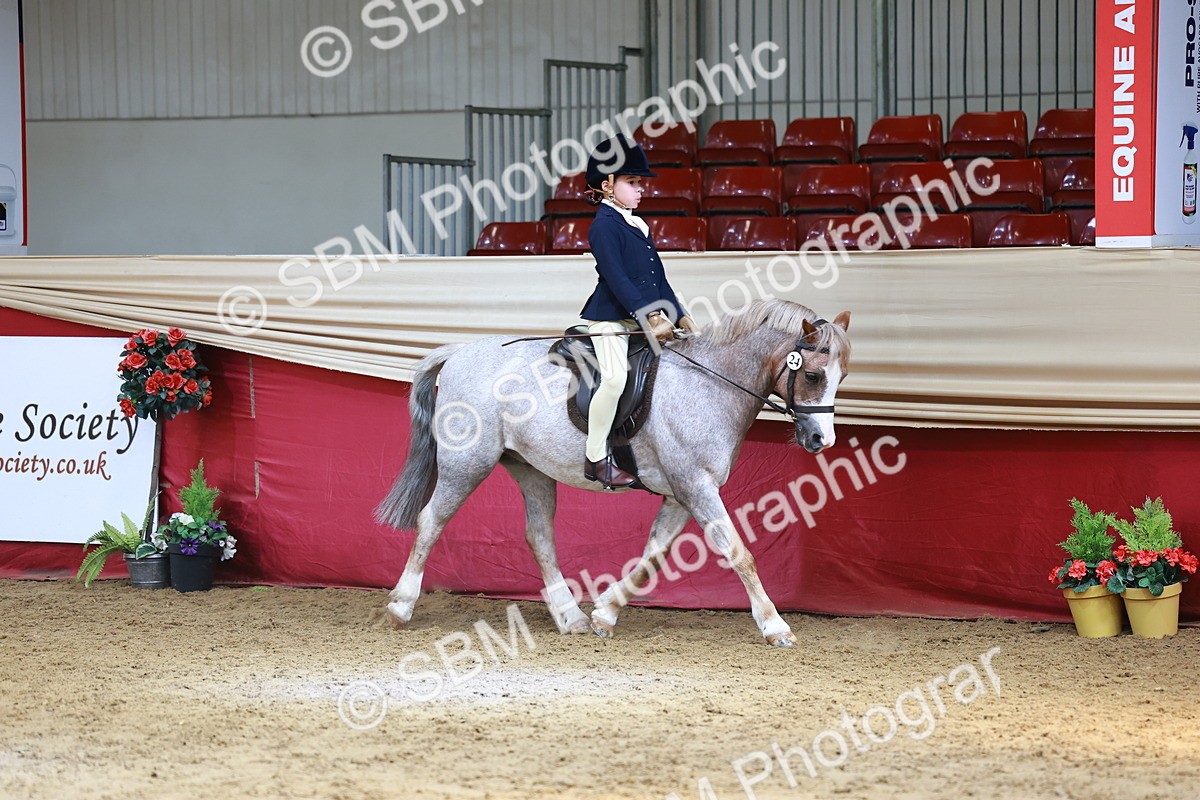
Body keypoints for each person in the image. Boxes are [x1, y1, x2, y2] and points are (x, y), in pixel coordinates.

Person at [578, 135, 698, 488]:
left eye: (640, 182)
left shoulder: (637, 225)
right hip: (610, 320)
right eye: (632, 182)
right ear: (607, 186)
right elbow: (617, 279)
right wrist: (650, 316)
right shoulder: (603, 226)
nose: (640, 189)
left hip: (644, 319)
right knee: (615, 379)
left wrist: (678, 313)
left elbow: (657, 278)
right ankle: (596, 458)